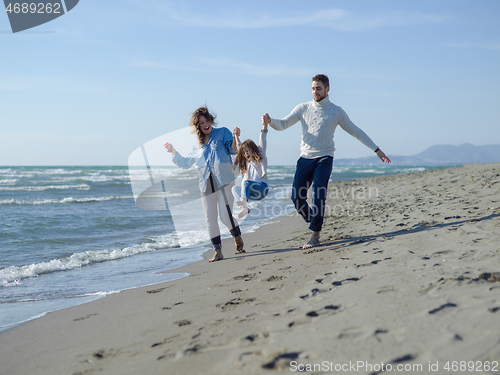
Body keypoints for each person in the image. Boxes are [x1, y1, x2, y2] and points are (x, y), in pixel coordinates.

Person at [262, 74, 390, 250]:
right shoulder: (303, 108)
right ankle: (314, 219)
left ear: (327, 89)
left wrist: (376, 149)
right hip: (305, 158)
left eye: (319, 88)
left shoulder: (336, 112)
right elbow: (283, 124)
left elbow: (356, 131)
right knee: (296, 198)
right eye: (313, 88)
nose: (315, 91)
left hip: (324, 158)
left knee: (318, 195)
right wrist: (270, 121)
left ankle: (315, 235)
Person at [164, 106, 244, 262]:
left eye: (207, 121)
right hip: (206, 184)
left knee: (225, 217)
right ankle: (218, 251)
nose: (205, 124)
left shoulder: (222, 132)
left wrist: (235, 137)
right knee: (210, 219)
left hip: (225, 181)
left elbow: (233, 150)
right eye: (201, 122)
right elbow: (186, 163)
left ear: (211, 121)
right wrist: (173, 151)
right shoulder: (198, 145)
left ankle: (237, 235)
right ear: (198, 125)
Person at [231, 119, 269, 218]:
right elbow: (240, 147)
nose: (246, 153)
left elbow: (263, 139)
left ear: (253, 149)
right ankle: (244, 208)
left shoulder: (261, 158)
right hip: (252, 193)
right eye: (244, 152)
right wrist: (236, 136)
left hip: (262, 189)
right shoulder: (247, 163)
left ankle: (243, 202)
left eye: (248, 151)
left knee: (245, 182)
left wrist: (264, 126)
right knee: (234, 189)